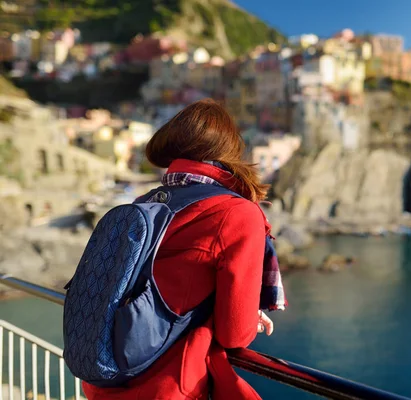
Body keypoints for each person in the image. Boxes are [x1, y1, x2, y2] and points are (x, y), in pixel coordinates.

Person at [82, 100, 282, 400]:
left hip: (105, 380)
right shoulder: (237, 214)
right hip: (172, 389)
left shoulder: (145, 203)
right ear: (228, 152)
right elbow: (235, 334)